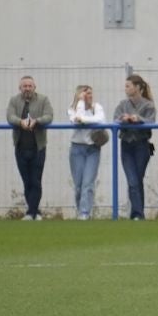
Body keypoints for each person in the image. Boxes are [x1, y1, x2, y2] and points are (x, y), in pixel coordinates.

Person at [5, 75, 54, 220]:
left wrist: (36, 121)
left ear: (34, 87)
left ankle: (33, 212)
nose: (27, 88)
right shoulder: (14, 100)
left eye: (30, 86)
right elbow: (10, 116)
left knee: (36, 180)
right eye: (24, 86)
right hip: (20, 147)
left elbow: (49, 116)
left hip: (38, 147)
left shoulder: (43, 100)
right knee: (26, 181)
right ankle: (33, 211)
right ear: (20, 88)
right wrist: (20, 122)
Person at [115, 75, 154, 220]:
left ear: (137, 87)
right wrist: (123, 119)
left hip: (142, 145)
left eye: (128, 86)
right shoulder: (122, 104)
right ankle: (137, 213)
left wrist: (139, 119)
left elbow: (151, 121)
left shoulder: (148, 105)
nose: (126, 89)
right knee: (132, 181)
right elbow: (115, 118)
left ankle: (138, 213)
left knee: (138, 179)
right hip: (126, 145)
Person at [66, 84, 106, 220]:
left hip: (93, 149)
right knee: (78, 185)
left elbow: (100, 120)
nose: (89, 96)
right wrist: (81, 103)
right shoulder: (72, 108)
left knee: (88, 183)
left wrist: (84, 120)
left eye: (90, 93)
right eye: (86, 93)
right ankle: (80, 211)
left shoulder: (97, 107)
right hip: (77, 149)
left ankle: (85, 213)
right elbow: (76, 120)